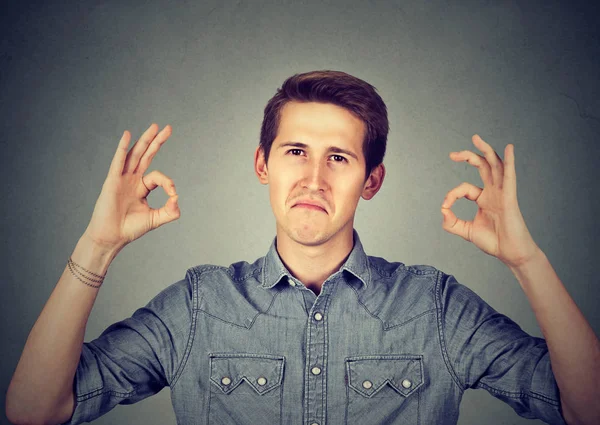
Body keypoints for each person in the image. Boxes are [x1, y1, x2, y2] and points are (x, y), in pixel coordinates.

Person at [5, 70, 599, 425]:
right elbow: (35, 412)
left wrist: (527, 261)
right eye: (295, 152)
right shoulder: (197, 306)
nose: (314, 178)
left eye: (338, 157)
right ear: (263, 164)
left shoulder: (435, 308)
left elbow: (586, 411)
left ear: (371, 180)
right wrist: (97, 246)